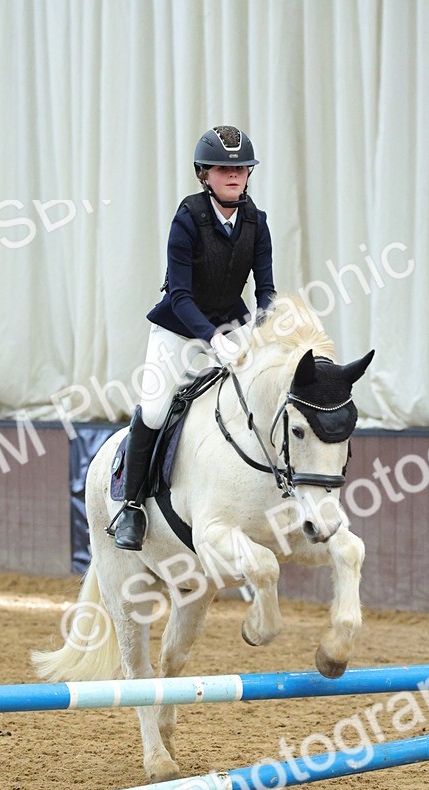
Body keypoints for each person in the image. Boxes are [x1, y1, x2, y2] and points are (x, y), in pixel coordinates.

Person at [112, 124, 276, 550]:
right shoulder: (187, 219)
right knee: (154, 409)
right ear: (204, 174)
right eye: (223, 169)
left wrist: (266, 323)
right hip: (178, 327)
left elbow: (266, 290)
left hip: (230, 324)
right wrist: (211, 338)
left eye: (241, 169)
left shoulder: (257, 223)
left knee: (259, 400)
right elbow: (180, 295)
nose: (234, 175)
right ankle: (130, 506)